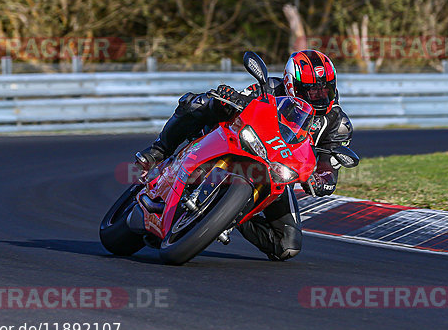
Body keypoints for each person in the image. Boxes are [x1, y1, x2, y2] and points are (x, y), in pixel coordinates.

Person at [135, 49, 355, 261]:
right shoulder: (270, 87)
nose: (319, 96)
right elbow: (241, 101)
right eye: (312, 91)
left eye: (326, 90)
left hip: (276, 173)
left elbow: (329, 162)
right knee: (200, 103)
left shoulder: (338, 123)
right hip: (240, 142)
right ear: (291, 84)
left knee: (287, 246)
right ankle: (159, 150)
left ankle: (228, 216)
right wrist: (229, 98)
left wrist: (323, 180)